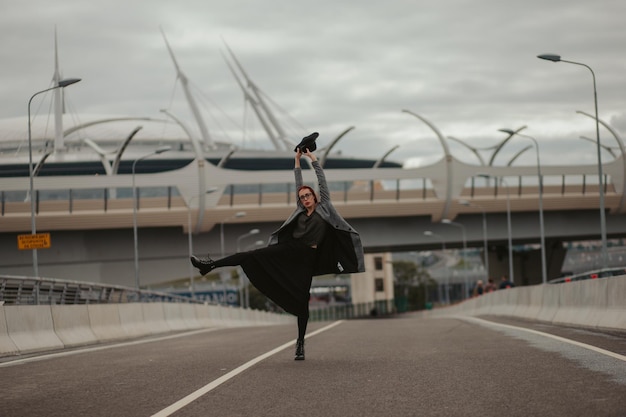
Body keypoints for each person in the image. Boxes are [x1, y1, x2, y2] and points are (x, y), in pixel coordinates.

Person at [190, 141, 365, 361]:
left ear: (314, 196)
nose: (304, 198)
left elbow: (321, 180)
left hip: (307, 258)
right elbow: (298, 183)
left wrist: (312, 159)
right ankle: (209, 265)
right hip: (289, 250)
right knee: (251, 255)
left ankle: (300, 344)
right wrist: (295, 162)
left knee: (303, 301)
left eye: (307, 195)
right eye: (301, 197)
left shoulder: (325, 208)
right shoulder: (300, 211)